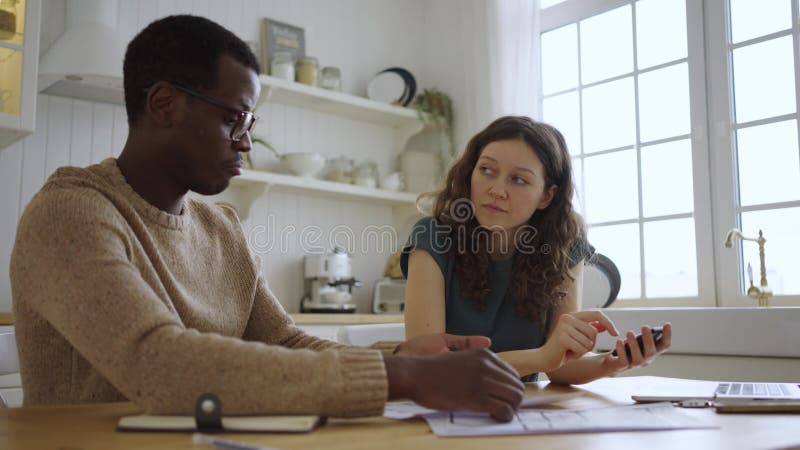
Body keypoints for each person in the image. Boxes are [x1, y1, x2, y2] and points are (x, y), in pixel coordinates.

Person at [9, 15, 525, 422]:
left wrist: (409, 356)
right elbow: (157, 364)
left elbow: (285, 342)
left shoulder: (222, 227)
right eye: (233, 118)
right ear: (163, 104)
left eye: (250, 121)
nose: (247, 141)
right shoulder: (71, 212)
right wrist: (404, 376)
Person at [402, 116, 672, 384]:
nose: (497, 190)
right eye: (486, 170)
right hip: (444, 407)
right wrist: (542, 357)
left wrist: (613, 362)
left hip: (519, 411)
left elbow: (561, 366)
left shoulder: (564, 245)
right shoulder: (433, 236)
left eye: (518, 180)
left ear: (547, 196)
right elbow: (429, 367)